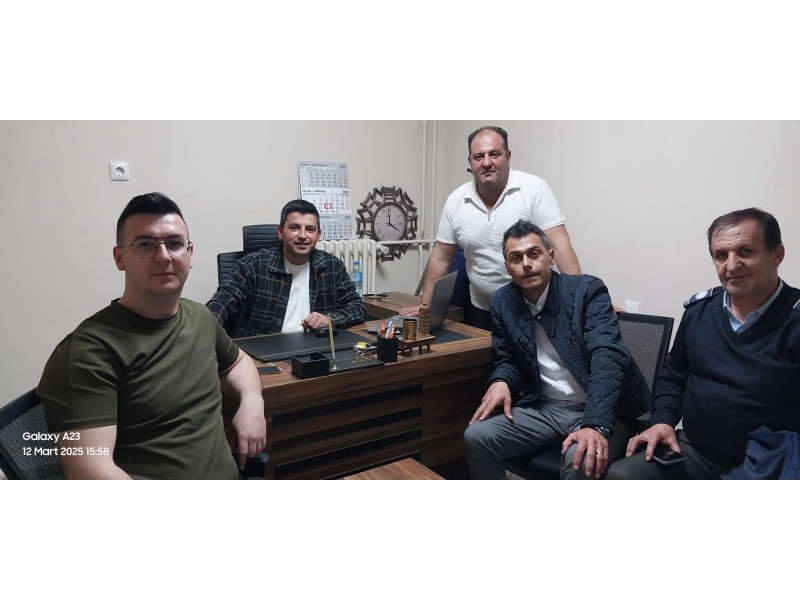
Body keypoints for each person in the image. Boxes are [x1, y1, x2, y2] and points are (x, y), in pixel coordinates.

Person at [37, 192, 267, 479]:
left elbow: (238, 362)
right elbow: (91, 472)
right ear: (119, 258)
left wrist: (252, 402)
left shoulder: (200, 318)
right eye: (145, 244)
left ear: (190, 254)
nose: (163, 256)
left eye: (175, 243)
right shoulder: (86, 352)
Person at [607, 208, 800, 479]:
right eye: (721, 255)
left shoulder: (794, 320)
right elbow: (673, 377)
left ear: (776, 255)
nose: (731, 265)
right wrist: (662, 420)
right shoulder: (699, 311)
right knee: (623, 476)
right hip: (694, 451)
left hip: (771, 461)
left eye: (745, 251)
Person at [463, 220, 649, 479]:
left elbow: (608, 358)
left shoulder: (586, 291)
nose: (526, 264)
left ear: (550, 257)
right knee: (477, 437)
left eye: (534, 253)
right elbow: (508, 359)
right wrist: (501, 380)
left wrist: (594, 424)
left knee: (581, 459)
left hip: (602, 410)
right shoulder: (502, 302)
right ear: (507, 267)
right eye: (516, 258)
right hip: (545, 409)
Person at [401, 126, 581, 330]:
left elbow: (560, 245)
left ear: (508, 156)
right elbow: (441, 258)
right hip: (482, 310)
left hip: (533, 308)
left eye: (494, 154)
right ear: (470, 161)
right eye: (479, 157)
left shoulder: (534, 190)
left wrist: (581, 304)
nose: (486, 163)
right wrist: (426, 306)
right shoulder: (455, 201)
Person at [207, 199, 365, 337]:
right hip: (261, 351)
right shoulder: (252, 265)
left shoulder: (333, 266)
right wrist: (205, 330)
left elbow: (357, 308)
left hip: (314, 348)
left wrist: (330, 319)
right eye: (295, 228)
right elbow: (221, 303)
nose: (302, 235)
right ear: (280, 232)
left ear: (318, 235)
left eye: (310, 229)